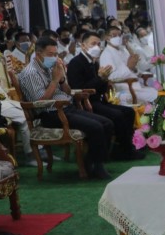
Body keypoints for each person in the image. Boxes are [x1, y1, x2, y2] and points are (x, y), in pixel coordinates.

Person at [19, 37, 114, 179]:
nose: (54, 58)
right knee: (96, 127)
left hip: (67, 108)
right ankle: (96, 166)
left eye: (56, 54)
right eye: (50, 54)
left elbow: (68, 92)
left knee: (107, 123)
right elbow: (40, 102)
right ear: (38, 54)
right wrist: (55, 80)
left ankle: (91, 161)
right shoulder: (30, 73)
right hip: (51, 114)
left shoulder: (52, 67)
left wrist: (62, 79)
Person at [67, 31, 144, 160]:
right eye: (93, 44)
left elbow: (100, 88)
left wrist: (105, 79)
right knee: (117, 115)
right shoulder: (76, 63)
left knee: (129, 112)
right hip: (85, 104)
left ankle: (125, 147)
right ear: (83, 45)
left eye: (98, 44)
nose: (97, 47)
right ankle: (120, 150)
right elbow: (79, 89)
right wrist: (100, 78)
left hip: (98, 100)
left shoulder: (94, 62)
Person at [99, 25, 158, 104]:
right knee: (156, 96)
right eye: (114, 35)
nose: (117, 37)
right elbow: (111, 77)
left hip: (136, 85)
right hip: (123, 88)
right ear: (107, 38)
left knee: (161, 92)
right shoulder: (106, 54)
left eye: (119, 35)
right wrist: (129, 67)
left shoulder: (123, 50)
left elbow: (133, 69)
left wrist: (134, 69)